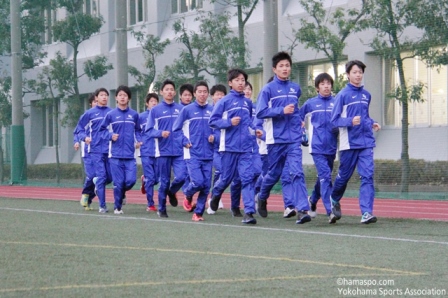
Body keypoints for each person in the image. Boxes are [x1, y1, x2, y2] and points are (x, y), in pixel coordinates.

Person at [255, 51, 311, 224]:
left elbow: (296, 109)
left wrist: (300, 122)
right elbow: (261, 112)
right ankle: (262, 197)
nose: (285, 68)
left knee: (296, 172)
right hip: (275, 140)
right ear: (274, 69)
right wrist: (281, 111)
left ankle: (302, 209)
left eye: (287, 65)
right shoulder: (268, 89)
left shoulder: (295, 88)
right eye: (281, 66)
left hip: (293, 139)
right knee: (274, 173)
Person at [330, 60, 381, 224]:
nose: (358, 75)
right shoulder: (342, 95)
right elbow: (334, 120)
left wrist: (371, 122)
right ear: (348, 75)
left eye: (360, 72)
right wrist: (350, 121)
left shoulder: (367, 95)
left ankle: (366, 212)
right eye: (355, 72)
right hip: (349, 143)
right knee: (344, 177)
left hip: (366, 142)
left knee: (367, 176)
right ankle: (334, 198)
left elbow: (364, 116)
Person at [208, 68, 261, 224]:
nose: (241, 83)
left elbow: (249, 122)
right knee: (225, 179)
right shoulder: (224, 101)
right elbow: (213, 121)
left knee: (247, 179)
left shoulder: (247, 102)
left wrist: (256, 130)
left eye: (243, 80)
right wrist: (229, 123)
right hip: (228, 148)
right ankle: (216, 194)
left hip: (245, 149)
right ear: (230, 83)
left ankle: (249, 212)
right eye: (237, 80)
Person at [299, 73, 338, 223]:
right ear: (317, 87)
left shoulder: (336, 103)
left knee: (323, 177)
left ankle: (313, 200)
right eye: (322, 84)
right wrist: (302, 132)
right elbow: (298, 117)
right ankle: (330, 211)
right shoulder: (310, 104)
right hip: (316, 147)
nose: (326, 86)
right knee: (326, 177)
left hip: (331, 147)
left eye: (328, 83)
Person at [173, 81, 214, 221]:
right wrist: (184, 141)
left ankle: (198, 213)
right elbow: (176, 129)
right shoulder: (187, 110)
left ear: (208, 94)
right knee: (198, 182)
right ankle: (187, 194)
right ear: (195, 94)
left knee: (206, 186)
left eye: (205, 91)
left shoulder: (212, 110)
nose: (202, 94)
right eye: (199, 92)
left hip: (208, 153)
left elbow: (219, 128)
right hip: (192, 153)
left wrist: (214, 137)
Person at [146, 79, 187, 218]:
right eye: (166, 89)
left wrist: (185, 141)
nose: (169, 91)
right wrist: (160, 133)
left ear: (175, 93)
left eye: (171, 89)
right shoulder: (155, 111)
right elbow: (149, 131)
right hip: (162, 151)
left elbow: (186, 128)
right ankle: (162, 208)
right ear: (162, 92)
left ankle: (172, 191)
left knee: (182, 176)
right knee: (164, 181)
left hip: (179, 150)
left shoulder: (181, 109)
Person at [99, 85, 142, 214]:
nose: (123, 97)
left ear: (128, 98)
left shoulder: (134, 115)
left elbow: (138, 130)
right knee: (118, 183)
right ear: (116, 97)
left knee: (131, 181)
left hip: (130, 155)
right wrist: (110, 136)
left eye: (125, 95)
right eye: (120, 95)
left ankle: (121, 193)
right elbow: (101, 131)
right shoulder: (110, 115)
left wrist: (139, 140)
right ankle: (118, 207)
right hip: (115, 155)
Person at [77, 88, 113, 213]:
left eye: (106, 95)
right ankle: (102, 206)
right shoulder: (89, 113)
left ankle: (95, 191)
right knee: (101, 177)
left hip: (110, 150)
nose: (104, 97)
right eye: (101, 95)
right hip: (95, 150)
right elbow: (79, 129)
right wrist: (84, 138)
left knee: (110, 177)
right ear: (96, 98)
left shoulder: (112, 112)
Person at [206, 84, 227, 215]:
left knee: (225, 174)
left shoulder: (227, 111)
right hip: (212, 149)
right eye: (217, 94)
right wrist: (210, 136)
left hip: (226, 148)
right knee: (220, 170)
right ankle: (214, 197)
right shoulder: (208, 111)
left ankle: (215, 197)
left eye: (222, 94)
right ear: (212, 96)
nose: (219, 97)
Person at [74, 93, 97, 210]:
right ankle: (85, 195)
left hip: (101, 152)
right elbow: (78, 130)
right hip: (88, 152)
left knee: (102, 177)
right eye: (95, 102)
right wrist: (77, 141)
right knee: (92, 175)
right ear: (91, 103)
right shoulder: (87, 116)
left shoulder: (106, 115)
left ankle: (89, 198)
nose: (97, 104)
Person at [139, 93, 159, 212]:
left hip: (159, 151)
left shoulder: (160, 115)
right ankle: (150, 204)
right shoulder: (141, 117)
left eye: (156, 101)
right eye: (151, 101)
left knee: (157, 179)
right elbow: (136, 131)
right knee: (151, 179)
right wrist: (139, 141)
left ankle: (144, 180)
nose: (154, 103)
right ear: (147, 103)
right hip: (146, 151)